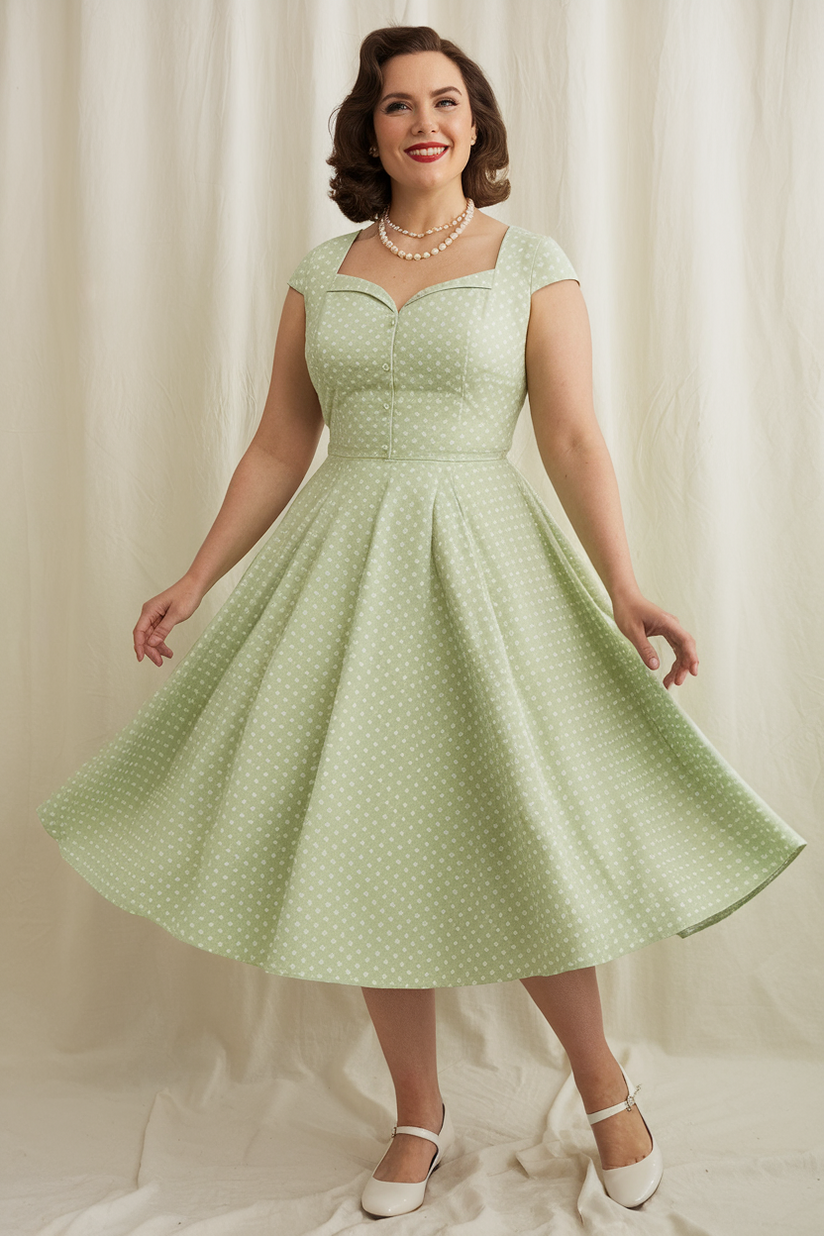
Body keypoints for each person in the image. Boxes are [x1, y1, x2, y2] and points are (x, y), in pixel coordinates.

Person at [37, 23, 805, 1221]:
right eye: (398, 106)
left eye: (446, 100)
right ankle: (416, 1110)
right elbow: (282, 443)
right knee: (364, 838)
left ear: (478, 124)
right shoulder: (320, 271)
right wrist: (196, 577)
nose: (425, 121)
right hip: (344, 571)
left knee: (520, 826)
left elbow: (570, 437)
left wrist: (623, 582)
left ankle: (604, 1092)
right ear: (371, 131)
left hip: (484, 567)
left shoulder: (528, 261)